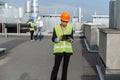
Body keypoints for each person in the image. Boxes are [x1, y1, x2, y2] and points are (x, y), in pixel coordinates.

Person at [50, 12, 74, 80]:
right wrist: (59, 39)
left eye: (66, 21)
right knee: (56, 67)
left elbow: (72, 39)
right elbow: (53, 39)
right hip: (59, 51)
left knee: (65, 68)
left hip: (67, 51)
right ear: (61, 20)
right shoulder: (56, 28)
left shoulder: (70, 28)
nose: (65, 23)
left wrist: (70, 39)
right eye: (63, 21)